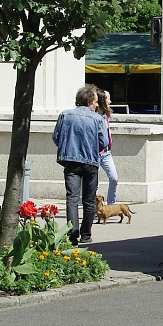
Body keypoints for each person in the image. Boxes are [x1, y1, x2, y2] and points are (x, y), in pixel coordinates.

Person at [53, 84, 108, 245]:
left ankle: (72, 234)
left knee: (72, 198)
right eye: (96, 101)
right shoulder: (97, 119)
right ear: (90, 101)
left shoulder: (65, 115)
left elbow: (56, 137)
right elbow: (103, 142)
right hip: (90, 162)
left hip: (71, 161)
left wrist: (69, 148)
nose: (97, 105)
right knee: (89, 200)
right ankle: (86, 234)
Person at [96, 89, 120, 205]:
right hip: (95, 153)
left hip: (106, 152)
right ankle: (95, 209)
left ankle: (111, 205)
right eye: (108, 99)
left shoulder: (106, 115)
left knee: (114, 178)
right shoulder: (94, 116)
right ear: (102, 101)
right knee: (94, 184)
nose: (110, 101)